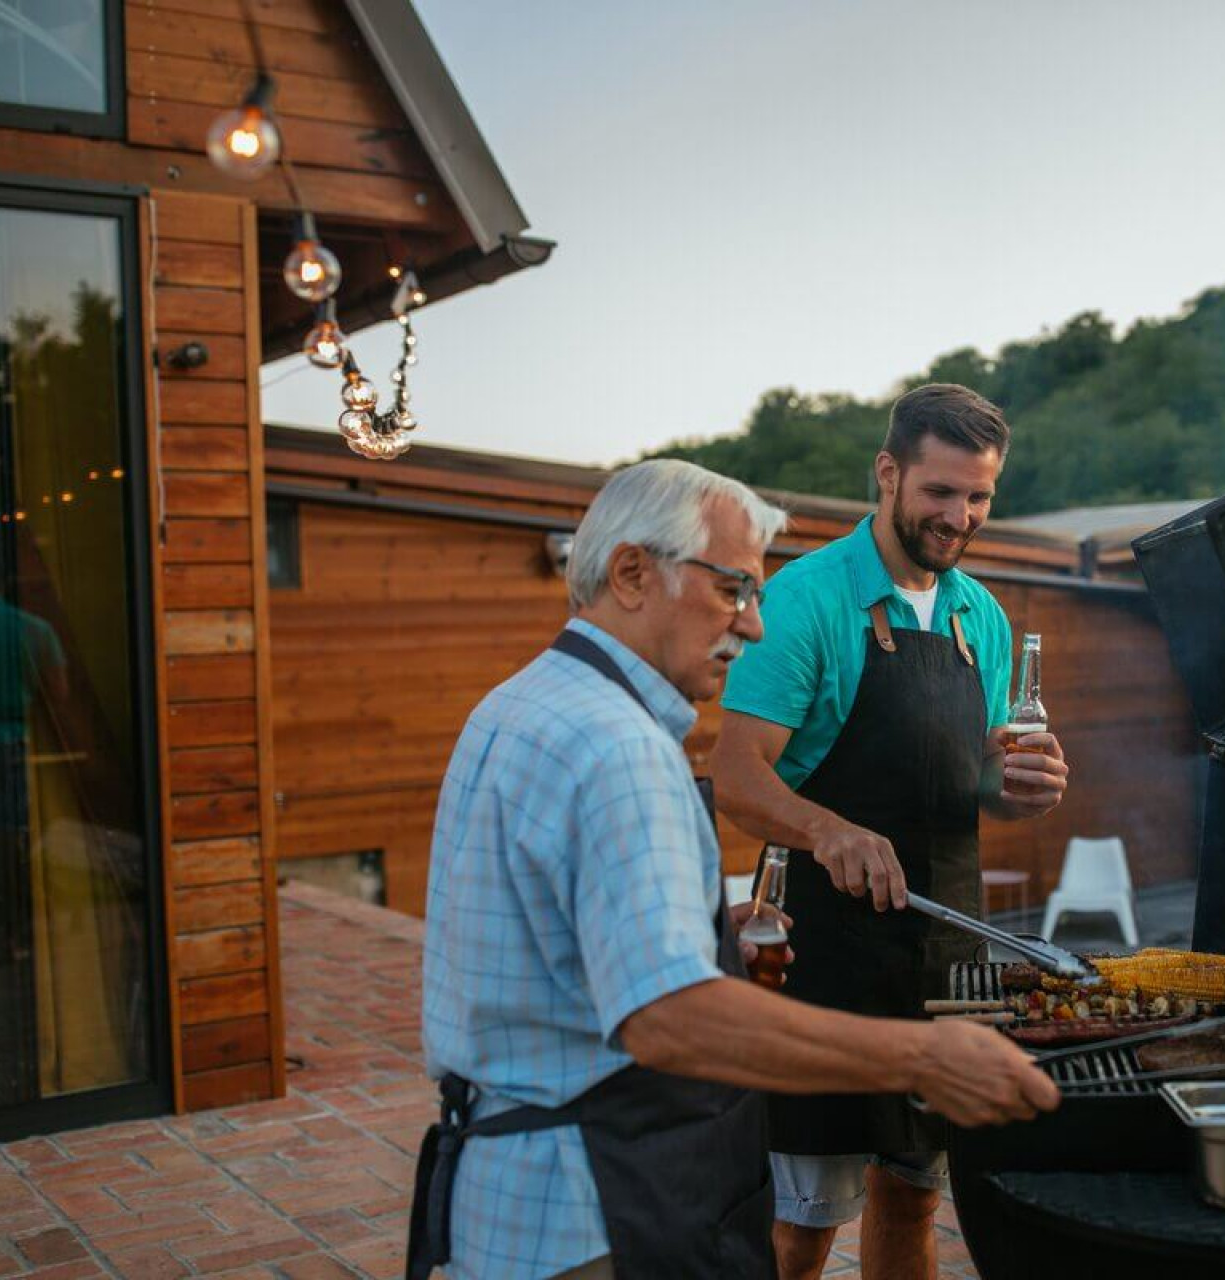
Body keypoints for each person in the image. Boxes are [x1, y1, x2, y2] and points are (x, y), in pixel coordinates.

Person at [409, 460, 1057, 1280]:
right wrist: (926, 1059)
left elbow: (562, 945)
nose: (752, 625)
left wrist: (713, 951)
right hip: (586, 1206)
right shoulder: (621, 747)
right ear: (634, 573)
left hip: (507, 1195)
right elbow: (670, 1021)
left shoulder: (521, 702)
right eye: (733, 590)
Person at [710, 385, 1070, 1280]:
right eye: (941, 492)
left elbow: (973, 777)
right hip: (822, 953)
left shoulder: (976, 615)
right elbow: (737, 773)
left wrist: (1021, 786)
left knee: (913, 1196)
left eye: (979, 496)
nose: (960, 517)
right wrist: (827, 829)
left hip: (945, 944)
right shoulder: (806, 600)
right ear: (888, 472)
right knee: (802, 1227)